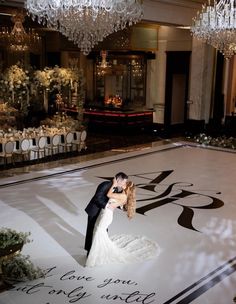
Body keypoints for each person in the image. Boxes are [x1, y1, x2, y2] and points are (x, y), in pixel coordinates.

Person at [85, 179, 160, 267]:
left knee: (98, 232)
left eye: (124, 183)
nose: (123, 184)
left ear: (126, 187)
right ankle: (97, 251)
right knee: (98, 232)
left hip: (106, 215)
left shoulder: (123, 196)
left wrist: (113, 184)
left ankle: (97, 255)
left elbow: (109, 195)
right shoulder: (122, 195)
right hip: (105, 213)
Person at [84, 172, 128, 256]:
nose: (125, 184)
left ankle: (100, 248)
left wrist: (121, 206)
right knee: (91, 230)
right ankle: (90, 251)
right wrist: (108, 206)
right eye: (124, 182)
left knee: (102, 230)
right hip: (95, 211)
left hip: (105, 213)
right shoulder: (105, 185)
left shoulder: (118, 189)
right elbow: (97, 198)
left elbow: (114, 200)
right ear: (118, 180)